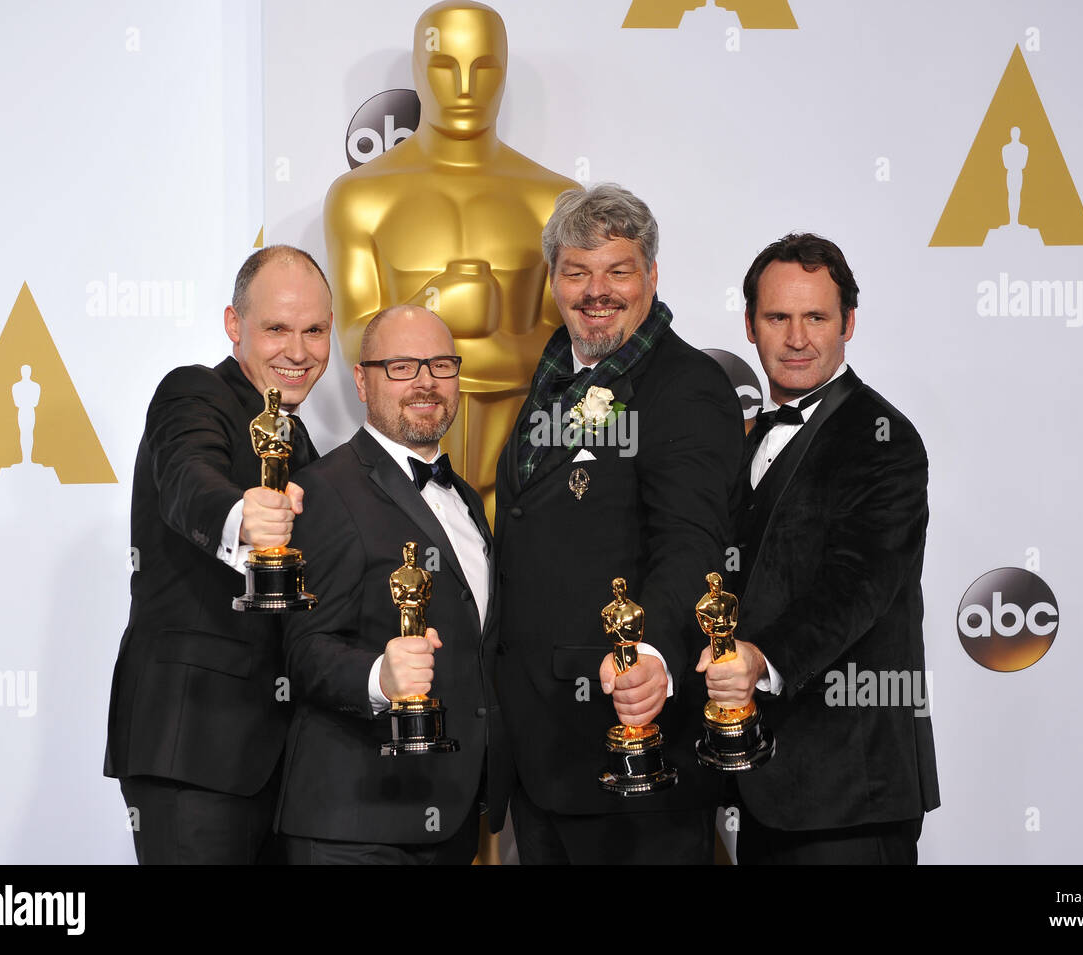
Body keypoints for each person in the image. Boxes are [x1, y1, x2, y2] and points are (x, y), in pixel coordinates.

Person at [495, 183, 743, 864]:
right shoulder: (550, 376)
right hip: (539, 756)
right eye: (577, 270)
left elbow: (694, 543)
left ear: (652, 277)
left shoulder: (686, 387)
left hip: (632, 752)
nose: (595, 290)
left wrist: (653, 656)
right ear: (553, 281)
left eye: (618, 270)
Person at [699, 232, 940, 864]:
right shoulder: (741, 441)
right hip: (757, 783)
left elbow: (857, 586)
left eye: (817, 318)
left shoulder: (882, 439)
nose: (797, 338)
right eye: (778, 317)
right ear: (750, 326)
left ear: (849, 324)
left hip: (850, 794)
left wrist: (762, 659)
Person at [104, 245, 332, 864]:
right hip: (194, 748)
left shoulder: (299, 437)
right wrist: (240, 517)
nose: (299, 351)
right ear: (234, 326)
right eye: (277, 328)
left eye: (315, 331)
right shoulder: (195, 393)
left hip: (284, 766)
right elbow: (187, 478)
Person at [324, 0, 579, 514]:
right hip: (402, 467)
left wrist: (446, 339)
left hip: (525, 469)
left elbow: (569, 353)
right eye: (445, 67)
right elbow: (355, 340)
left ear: (504, 75)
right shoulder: (361, 197)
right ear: (418, 73)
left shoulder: (552, 199)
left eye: (484, 69)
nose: (466, 88)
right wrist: (434, 303)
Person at [276, 305, 501, 864]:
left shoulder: (467, 500)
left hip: (450, 819)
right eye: (401, 366)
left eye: (441, 365)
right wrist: (380, 675)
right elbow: (301, 649)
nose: (426, 382)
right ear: (362, 380)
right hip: (356, 826)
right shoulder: (324, 489)